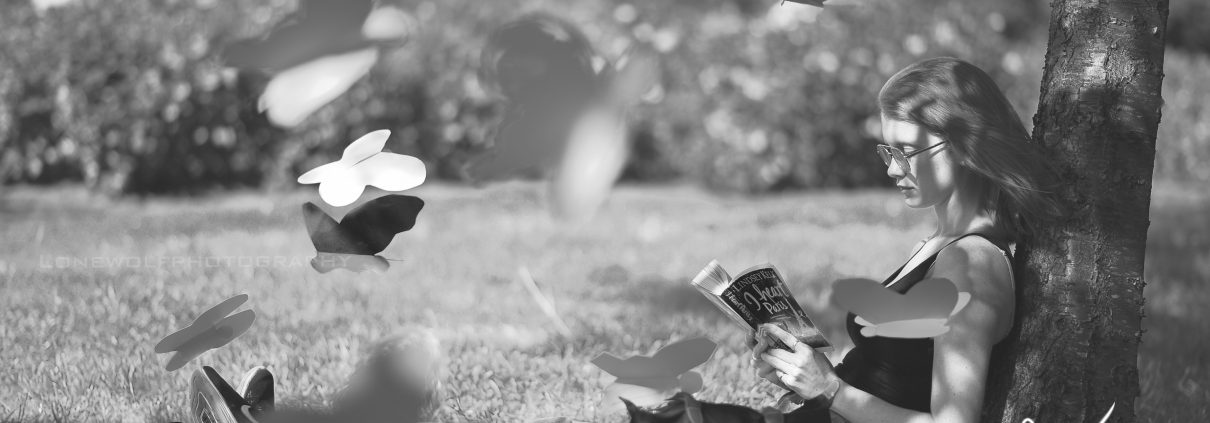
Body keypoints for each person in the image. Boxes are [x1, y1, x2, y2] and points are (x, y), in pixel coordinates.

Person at [752, 57, 1064, 423]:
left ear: (964, 146)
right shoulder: (937, 246)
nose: (891, 168)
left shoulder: (972, 265)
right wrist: (802, 370)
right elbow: (886, 377)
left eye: (906, 152)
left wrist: (829, 389)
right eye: (887, 151)